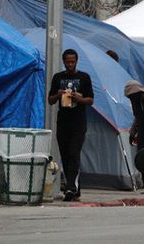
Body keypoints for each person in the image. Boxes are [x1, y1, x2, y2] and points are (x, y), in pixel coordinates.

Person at [49, 48, 94, 201]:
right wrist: (58, 94)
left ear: (76, 61)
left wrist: (77, 98)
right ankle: (75, 189)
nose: (70, 64)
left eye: (72, 62)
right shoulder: (57, 77)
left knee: (74, 153)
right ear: (63, 62)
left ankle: (70, 188)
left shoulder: (84, 77)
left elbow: (90, 100)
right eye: (67, 62)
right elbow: (50, 100)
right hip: (63, 122)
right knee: (65, 155)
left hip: (78, 122)